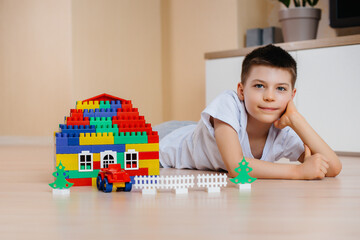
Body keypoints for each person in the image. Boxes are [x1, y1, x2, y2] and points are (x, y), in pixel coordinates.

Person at [155, 44, 342, 180]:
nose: (269, 96)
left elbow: (333, 167)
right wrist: (298, 172)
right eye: (260, 85)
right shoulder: (228, 103)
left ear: (292, 95)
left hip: (195, 131)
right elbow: (237, 168)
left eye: (281, 89)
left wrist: (297, 119)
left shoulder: (283, 133)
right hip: (169, 138)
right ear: (242, 90)